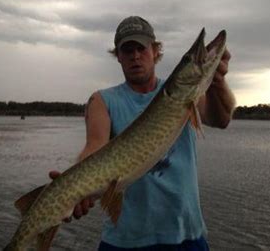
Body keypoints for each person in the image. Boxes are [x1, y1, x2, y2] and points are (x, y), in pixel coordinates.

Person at [50, 16, 236, 250]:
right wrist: (73, 187)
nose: (135, 56)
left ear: (156, 51)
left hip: (186, 235)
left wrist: (217, 79)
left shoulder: (183, 91)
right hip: (124, 241)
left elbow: (221, 120)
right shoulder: (102, 100)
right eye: (127, 50)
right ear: (118, 56)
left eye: (141, 48)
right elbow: (94, 147)